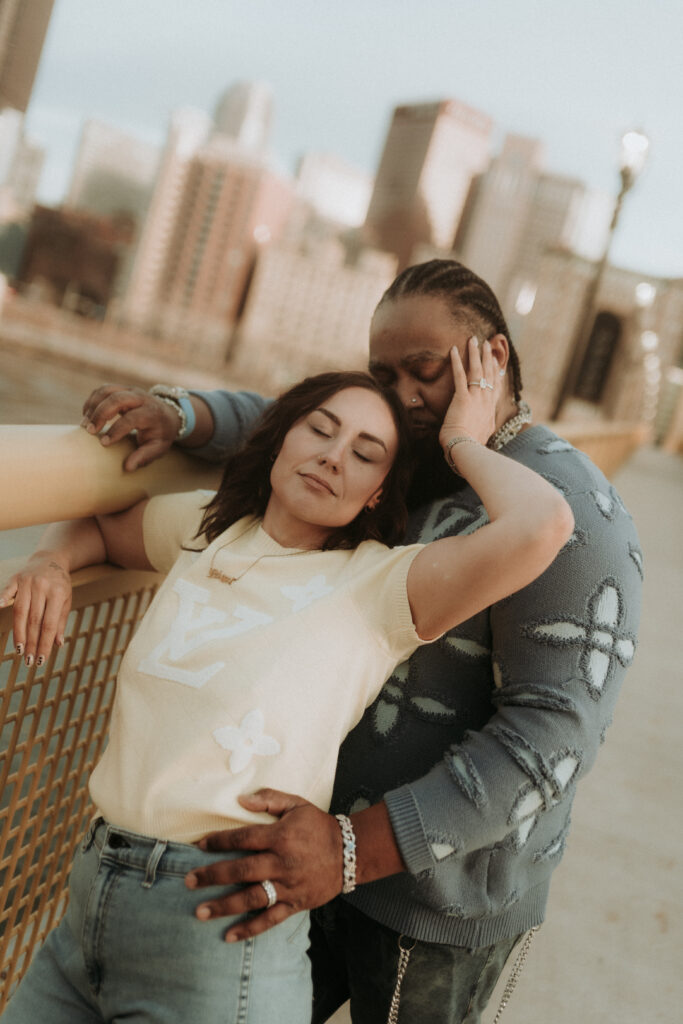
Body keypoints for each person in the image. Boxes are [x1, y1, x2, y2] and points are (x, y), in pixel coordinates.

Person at [75, 259, 643, 1024]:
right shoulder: (408, 456)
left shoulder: (575, 513)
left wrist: (350, 850)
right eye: (384, 372)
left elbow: (550, 741)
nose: (401, 396)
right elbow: (303, 424)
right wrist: (187, 417)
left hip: (425, 903)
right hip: (292, 855)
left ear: (492, 358)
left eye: (424, 370)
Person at [1, 356, 574, 1024]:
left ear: (376, 494)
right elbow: (97, 526)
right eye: (319, 430)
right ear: (280, 438)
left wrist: (459, 442)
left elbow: (543, 525)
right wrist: (49, 561)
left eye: (364, 455)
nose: (332, 457)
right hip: (89, 900)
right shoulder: (207, 530)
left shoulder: (380, 586)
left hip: (216, 933)